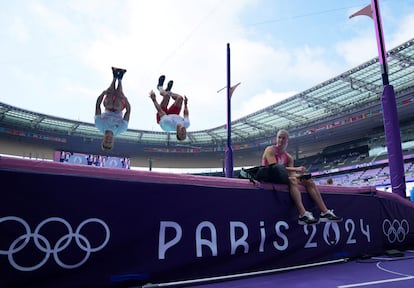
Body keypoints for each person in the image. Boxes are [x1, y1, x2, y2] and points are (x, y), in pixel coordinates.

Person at [262, 129, 343, 225]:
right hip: (269, 176)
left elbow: (292, 174)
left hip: (282, 177)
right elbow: (274, 167)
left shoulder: (288, 157)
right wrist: (296, 169)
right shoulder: (270, 149)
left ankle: (325, 212)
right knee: (292, 180)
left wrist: (301, 176)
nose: (281, 140)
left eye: (283, 138)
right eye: (279, 137)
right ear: (276, 139)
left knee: (309, 181)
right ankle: (302, 214)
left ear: (287, 140)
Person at [95, 67, 131, 151]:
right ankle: (120, 80)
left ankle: (114, 78)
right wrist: (125, 99)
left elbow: (98, 106)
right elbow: (128, 112)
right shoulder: (121, 129)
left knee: (110, 104)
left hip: (108, 104)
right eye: (109, 142)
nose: (108, 140)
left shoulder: (99, 124)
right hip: (120, 106)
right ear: (113, 142)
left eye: (106, 141)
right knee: (117, 105)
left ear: (102, 140)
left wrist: (103, 93)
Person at [149, 75, 190, 141]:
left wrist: (154, 100)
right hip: (173, 115)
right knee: (180, 98)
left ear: (177, 133)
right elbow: (186, 114)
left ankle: (160, 87)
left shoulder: (167, 124)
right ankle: (168, 91)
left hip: (162, 117)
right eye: (185, 134)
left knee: (166, 96)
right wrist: (185, 104)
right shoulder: (186, 124)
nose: (184, 133)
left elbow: (160, 111)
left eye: (182, 134)